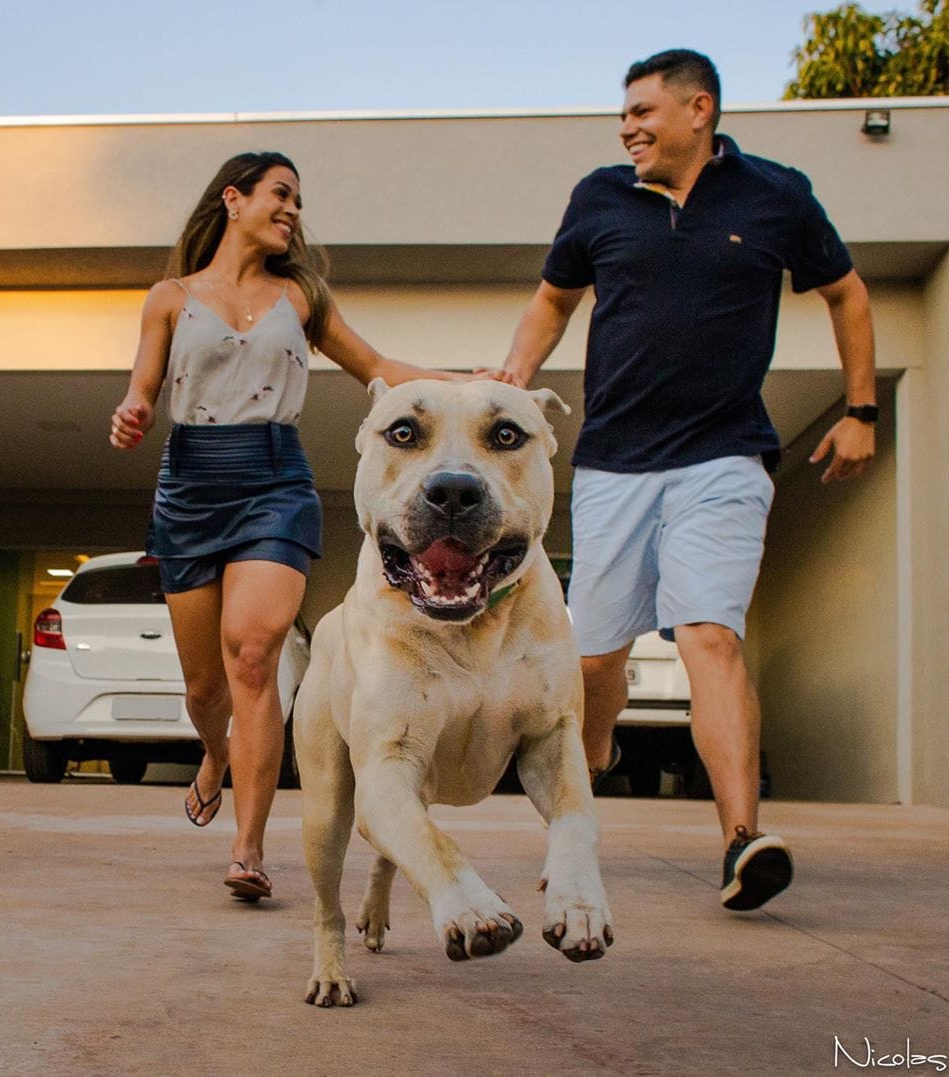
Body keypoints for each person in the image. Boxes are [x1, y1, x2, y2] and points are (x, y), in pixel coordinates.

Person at [498, 50, 876, 911]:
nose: (626, 127)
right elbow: (555, 298)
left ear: (697, 109)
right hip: (614, 464)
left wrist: (862, 410)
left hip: (724, 456)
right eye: (622, 114)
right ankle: (584, 792)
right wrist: (515, 372)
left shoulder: (775, 194)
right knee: (594, 660)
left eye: (641, 111)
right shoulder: (600, 197)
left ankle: (742, 838)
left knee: (711, 634)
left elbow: (847, 293)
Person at [110, 150, 468, 902]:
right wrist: (135, 411)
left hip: (274, 480)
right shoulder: (169, 299)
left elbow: (373, 364)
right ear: (233, 200)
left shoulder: (300, 297)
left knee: (254, 655)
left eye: (298, 199)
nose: (292, 209)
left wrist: (464, 381)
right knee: (206, 686)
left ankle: (248, 849)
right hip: (191, 484)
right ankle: (215, 753)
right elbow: (143, 388)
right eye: (280, 194)